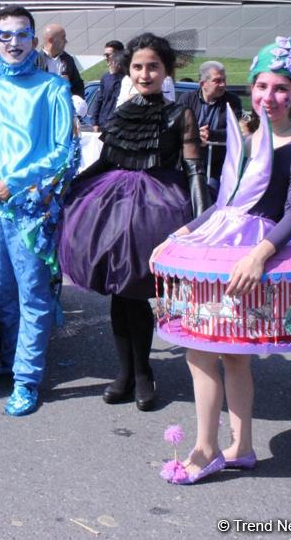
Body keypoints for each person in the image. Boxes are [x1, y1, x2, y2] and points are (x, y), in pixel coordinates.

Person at [149, 31, 291, 484]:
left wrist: (259, 256)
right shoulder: (251, 140)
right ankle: (242, 446)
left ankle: (207, 450)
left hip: (252, 259)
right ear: (250, 88)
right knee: (226, 354)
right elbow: (226, 203)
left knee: (205, 351)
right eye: (261, 86)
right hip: (220, 249)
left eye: (280, 89)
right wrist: (181, 232)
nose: (268, 97)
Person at [58, 33, 209, 412]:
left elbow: (193, 170)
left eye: (153, 67)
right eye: (138, 67)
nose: (145, 74)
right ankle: (124, 372)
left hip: (155, 212)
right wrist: (71, 187)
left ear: (166, 70)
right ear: (130, 70)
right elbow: (107, 161)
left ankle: (143, 373)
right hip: (114, 209)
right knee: (118, 294)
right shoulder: (120, 114)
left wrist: (202, 222)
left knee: (137, 294)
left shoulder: (180, 113)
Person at [0, 5, 81, 416]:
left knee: (33, 297)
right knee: (3, 295)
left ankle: (27, 379)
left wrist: (15, 183)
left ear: (34, 40)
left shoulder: (53, 89)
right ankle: (13, 360)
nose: (15, 43)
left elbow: (65, 153)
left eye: (22, 35)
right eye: (6, 36)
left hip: (32, 213)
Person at [176, 61, 243, 191]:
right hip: (187, 164)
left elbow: (236, 131)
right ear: (202, 84)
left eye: (224, 80)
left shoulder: (232, 101)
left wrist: (211, 134)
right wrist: (194, 135)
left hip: (216, 167)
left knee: (210, 195)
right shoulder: (187, 99)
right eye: (217, 81)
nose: (223, 84)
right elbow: (178, 126)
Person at [84, 40, 125, 130]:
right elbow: (99, 100)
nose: (106, 58)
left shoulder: (127, 77)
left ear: (119, 55)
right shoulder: (105, 77)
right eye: (105, 55)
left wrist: (114, 75)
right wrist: (95, 123)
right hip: (103, 125)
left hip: (119, 126)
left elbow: (117, 97)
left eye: (108, 55)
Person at [40, 24, 84, 98]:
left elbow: (78, 86)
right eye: (63, 38)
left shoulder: (68, 60)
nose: (66, 41)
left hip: (64, 107)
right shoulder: (34, 61)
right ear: (51, 40)